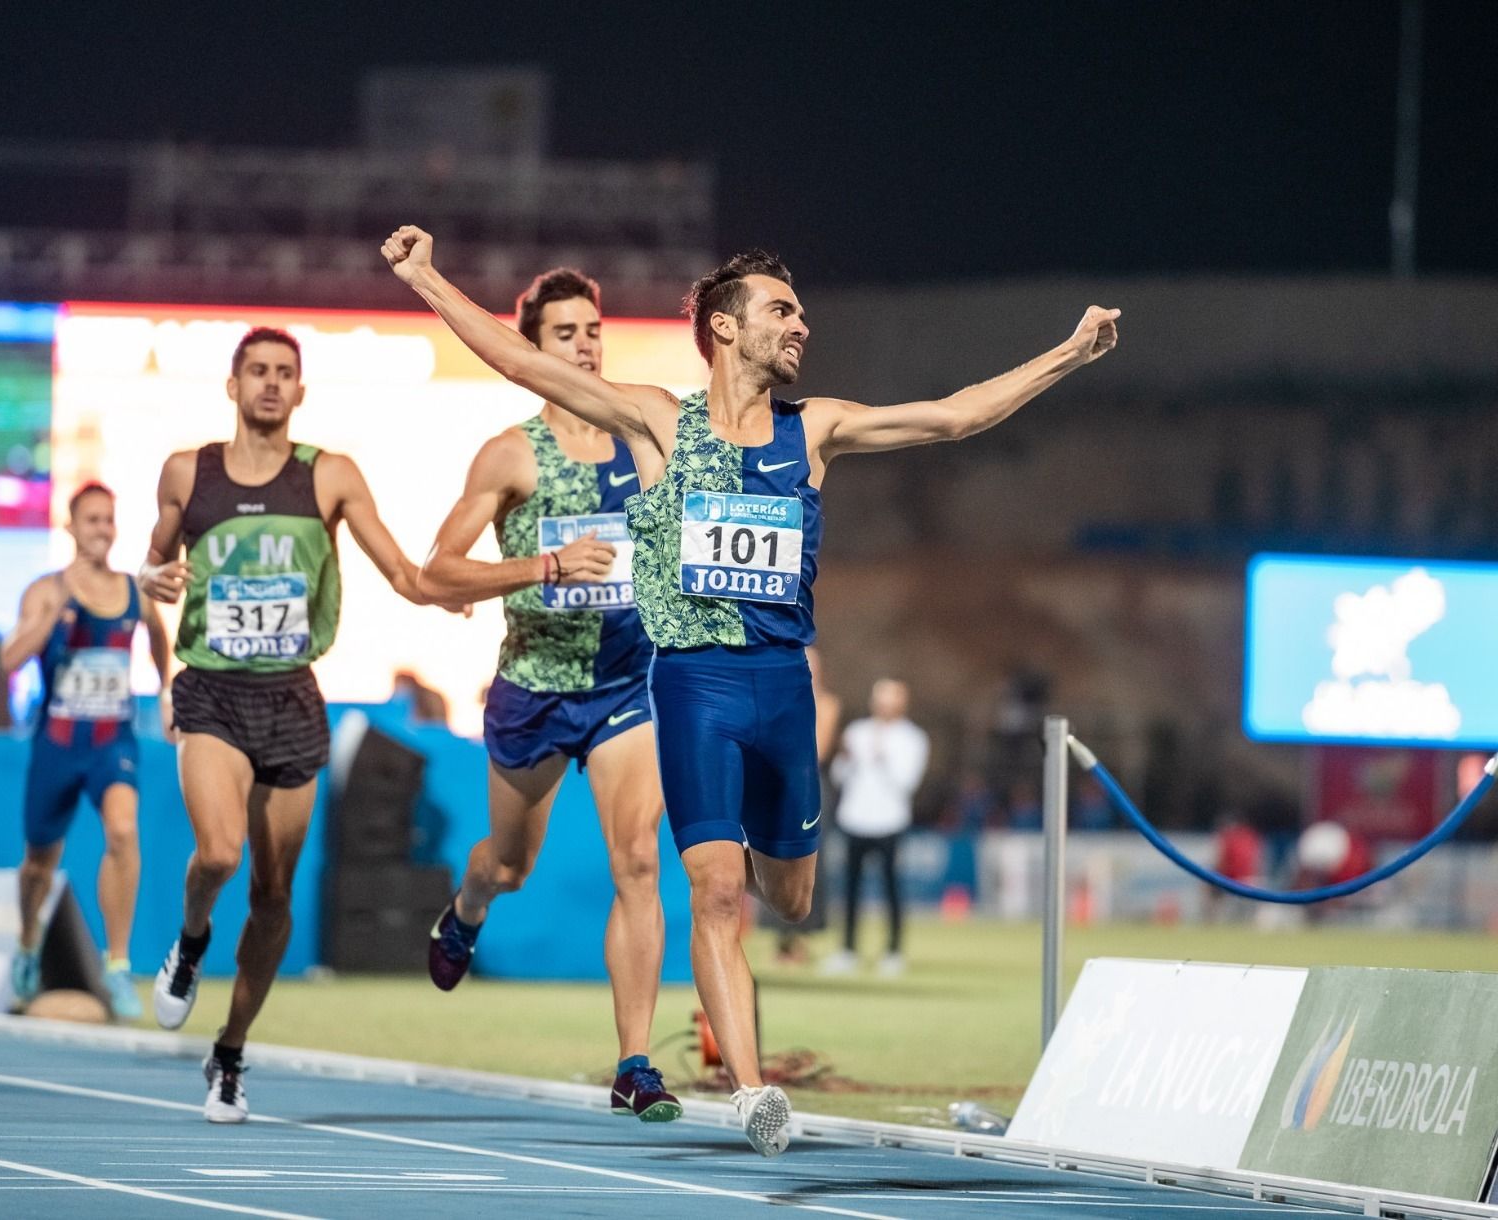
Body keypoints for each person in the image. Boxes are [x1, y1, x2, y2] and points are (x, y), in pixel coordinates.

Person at [382, 224, 1119, 1155]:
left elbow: (953, 417)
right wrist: (425, 279)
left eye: (801, 310)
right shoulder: (657, 420)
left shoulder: (816, 428)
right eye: (782, 309)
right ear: (726, 328)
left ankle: (744, 1021)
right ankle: (752, 1090)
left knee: (792, 899)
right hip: (691, 685)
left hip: (783, 692)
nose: (801, 323)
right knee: (713, 892)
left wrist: (1070, 352)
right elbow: (518, 363)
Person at [139, 326, 454, 1123]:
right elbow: (152, 574)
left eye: (285, 373)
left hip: (290, 698)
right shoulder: (189, 473)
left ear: (301, 392)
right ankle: (191, 940)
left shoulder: (331, 476)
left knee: (274, 893)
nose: (271, 385)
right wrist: (156, 627)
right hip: (211, 689)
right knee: (217, 852)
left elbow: (402, 571)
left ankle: (231, 1053)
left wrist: (458, 587)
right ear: (233, 384)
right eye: (258, 372)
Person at [415, 267, 680, 1124]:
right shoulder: (512, 453)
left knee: (638, 859)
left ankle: (634, 1063)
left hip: (623, 686)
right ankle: (467, 909)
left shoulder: (645, 439)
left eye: (592, 330)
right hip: (534, 689)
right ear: (532, 349)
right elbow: (435, 571)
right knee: (511, 866)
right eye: (564, 334)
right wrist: (543, 566)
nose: (585, 345)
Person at [1, 481, 172, 1019]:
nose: (101, 529)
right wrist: (52, 616)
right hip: (57, 743)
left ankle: (117, 964)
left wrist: (168, 692)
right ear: (70, 528)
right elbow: (10, 658)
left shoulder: (132, 591)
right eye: (91, 520)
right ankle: (28, 943)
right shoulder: (47, 591)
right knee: (37, 866)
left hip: (110, 742)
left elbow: (160, 639)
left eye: (108, 520)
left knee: (123, 831)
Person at [822, 678, 929, 977]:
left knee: (892, 888)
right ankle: (847, 949)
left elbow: (907, 783)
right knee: (850, 888)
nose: (883, 706)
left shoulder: (913, 739)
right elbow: (840, 777)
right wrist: (847, 759)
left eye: (890, 699)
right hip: (855, 818)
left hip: (889, 821)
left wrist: (883, 758)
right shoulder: (857, 732)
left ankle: (893, 951)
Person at [771, 645, 841, 963]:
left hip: (809, 784)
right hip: (778, 782)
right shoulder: (781, 700)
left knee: (809, 860)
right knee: (771, 855)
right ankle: (781, 940)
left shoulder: (826, 704)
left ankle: (802, 936)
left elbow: (819, 749)